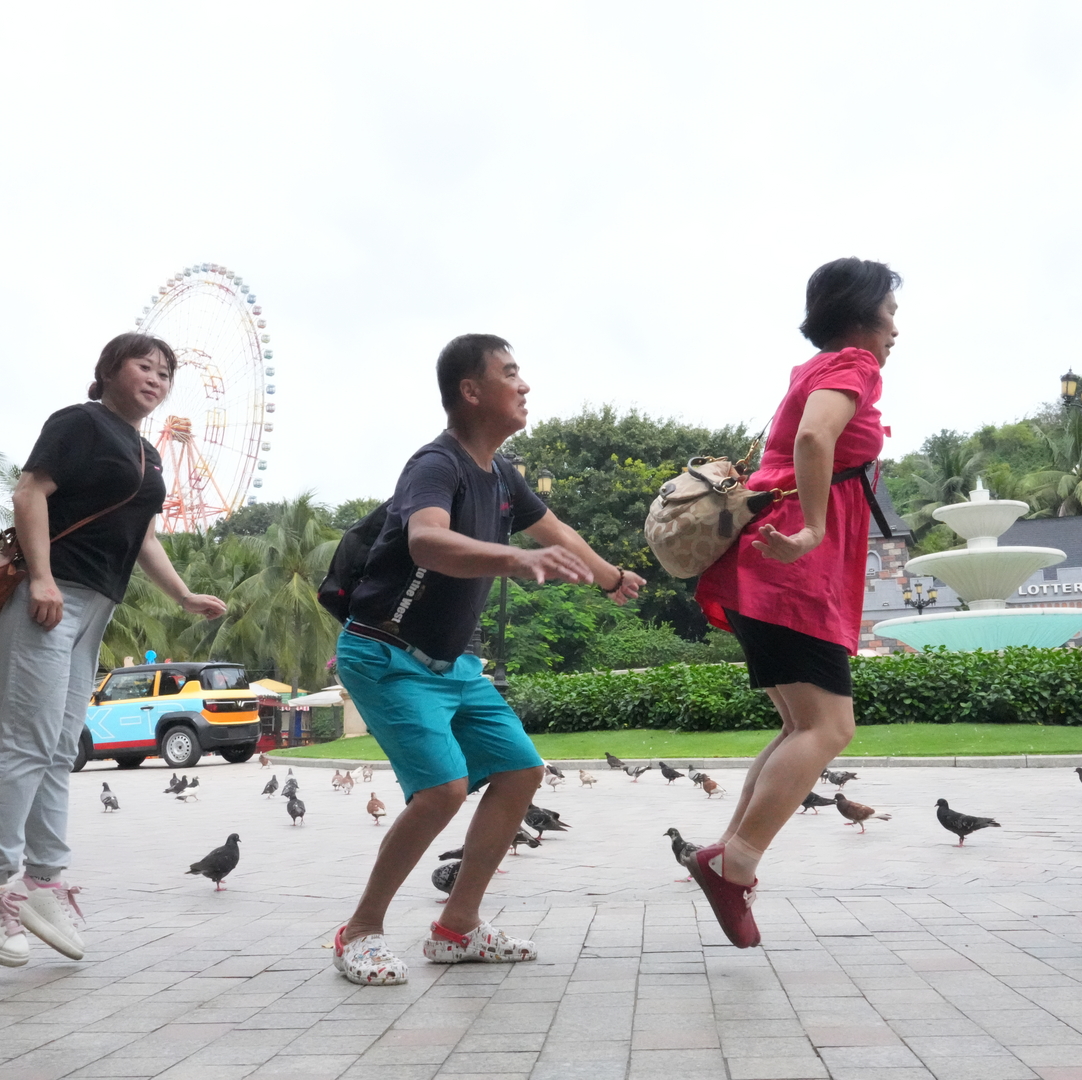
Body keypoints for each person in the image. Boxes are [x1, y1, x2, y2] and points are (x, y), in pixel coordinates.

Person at [330, 333, 642, 986]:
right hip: (386, 654)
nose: (525, 385)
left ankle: (457, 927)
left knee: (521, 771)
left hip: (455, 665)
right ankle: (359, 931)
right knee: (442, 790)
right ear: (471, 391)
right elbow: (426, 541)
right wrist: (516, 559)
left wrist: (610, 576)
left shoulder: (502, 475)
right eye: (510, 373)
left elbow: (557, 530)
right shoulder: (435, 464)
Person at [0, 333, 226, 968]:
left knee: (58, 746)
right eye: (143, 365)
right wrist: (42, 578)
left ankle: (44, 882)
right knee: (23, 743)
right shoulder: (79, 422)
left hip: (96, 607)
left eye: (165, 373)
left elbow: (142, 536)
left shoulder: (147, 454)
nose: (156, 378)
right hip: (48, 597)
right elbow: (29, 493)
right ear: (108, 370)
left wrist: (183, 594)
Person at [687, 258, 897, 948]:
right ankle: (734, 864)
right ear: (861, 313)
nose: (896, 329)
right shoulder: (854, 365)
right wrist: (810, 530)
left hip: (765, 566)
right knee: (828, 729)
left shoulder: (814, 369)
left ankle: (728, 854)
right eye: (890, 312)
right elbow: (813, 437)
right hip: (790, 572)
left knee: (799, 726)